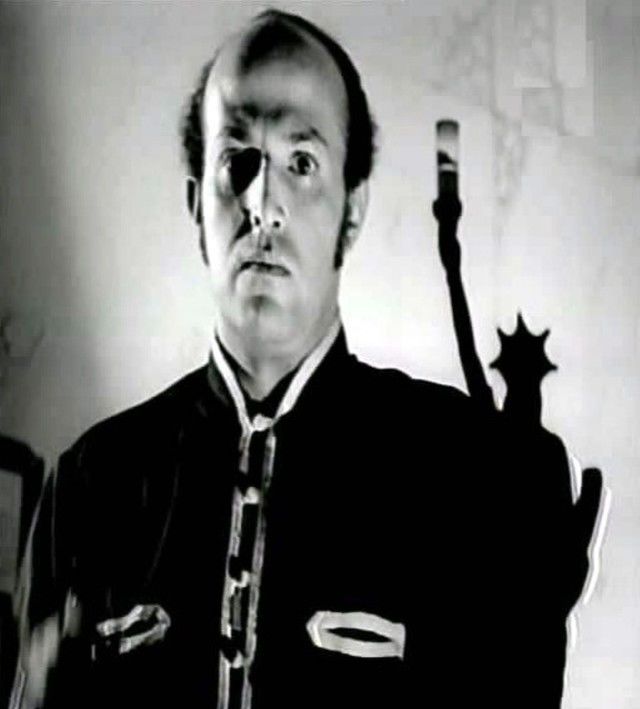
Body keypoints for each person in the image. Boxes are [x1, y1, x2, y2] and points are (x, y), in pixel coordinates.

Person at [10, 10, 595, 709]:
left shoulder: (477, 478)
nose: (263, 203)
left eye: (302, 163)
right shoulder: (89, 486)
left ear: (353, 210)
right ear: (197, 204)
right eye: (237, 161)